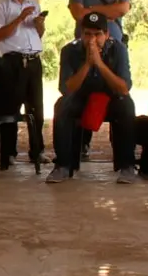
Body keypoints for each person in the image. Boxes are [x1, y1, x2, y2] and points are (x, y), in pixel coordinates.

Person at [45, 12, 138, 184]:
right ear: (81, 34)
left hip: (110, 98)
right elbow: (66, 88)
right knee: (62, 105)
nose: (92, 39)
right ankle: (63, 165)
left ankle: (127, 166)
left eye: (97, 34)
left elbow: (124, 88)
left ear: (107, 35)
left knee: (127, 105)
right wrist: (88, 64)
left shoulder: (118, 49)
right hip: (81, 97)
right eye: (88, 34)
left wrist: (99, 63)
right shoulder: (70, 50)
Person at [68, 0, 131, 161]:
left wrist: (92, 10)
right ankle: (81, 145)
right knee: (83, 93)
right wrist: (108, 11)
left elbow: (122, 9)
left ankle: (121, 152)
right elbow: (78, 13)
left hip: (113, 51)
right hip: (84, 50)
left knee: (118, 94)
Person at [0, 0, 47, 169]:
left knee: (36, 109)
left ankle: (37, 152)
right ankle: (8, 154)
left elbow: (38, 34)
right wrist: (20, 17)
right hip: (13, 62)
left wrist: (39, 24)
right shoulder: (2, 6)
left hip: (33, 61)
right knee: (10, 109)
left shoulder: (34, 4)